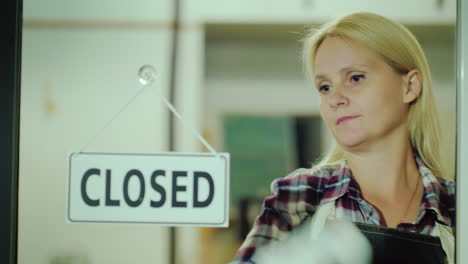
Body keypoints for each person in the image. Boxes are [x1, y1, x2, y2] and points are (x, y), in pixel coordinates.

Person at [230, 12, 455, 264]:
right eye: (325, 87)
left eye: (355, 78)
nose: (335, 98)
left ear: (410, 86)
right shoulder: (300, 196)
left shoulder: (456, 207)